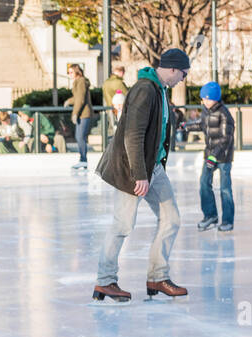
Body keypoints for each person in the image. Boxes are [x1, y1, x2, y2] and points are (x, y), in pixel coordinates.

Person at [93, 48, 190, 302]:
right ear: (172, 69)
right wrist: (139, 174)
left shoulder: (160, 91)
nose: (183, 78)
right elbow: (132, 135)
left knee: (171, 219)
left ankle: (158, 276)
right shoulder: (145, 89)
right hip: (132, 169)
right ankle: (105, 281)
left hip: (153, 167)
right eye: (183, 73)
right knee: (122, 223)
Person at [184, 81, 235, 232]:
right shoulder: (206, 111)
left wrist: (214, 156)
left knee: (225, 189)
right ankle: (210, 215)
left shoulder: (225, 114)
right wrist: (187, 126)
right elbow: (202, 124)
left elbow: (226, 139)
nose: (203, 102)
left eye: (206, 99)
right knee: (204, 184)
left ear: (215, 99)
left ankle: (227, 221)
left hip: (223, 157)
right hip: (210, 155)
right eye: (203, 99)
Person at [69, 63, 95, 170]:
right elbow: (77, 97)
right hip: (82, 113)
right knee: (79, 136)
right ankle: (82, 159)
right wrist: (68, 101)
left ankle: (83, 160)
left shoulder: (81, 81)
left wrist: (75, 113)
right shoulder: (78, 82)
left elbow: (80, 99)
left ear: (77, 71)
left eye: (71, 72)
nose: (69, 74)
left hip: (84, 114)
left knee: (80, 137)